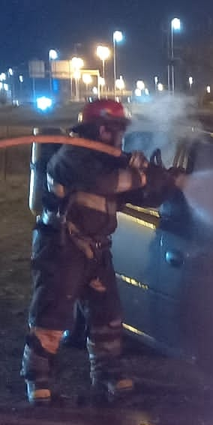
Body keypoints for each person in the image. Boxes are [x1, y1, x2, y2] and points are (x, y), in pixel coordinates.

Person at [23, 99, 180, 404]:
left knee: (107, 315)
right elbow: (102, 183)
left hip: (96, 249)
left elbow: (141, 194)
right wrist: (139, 174)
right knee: (51, 316)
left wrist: (163, 180)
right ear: (102, 129)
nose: (122, 138)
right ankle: (38, 380)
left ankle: (108, 373)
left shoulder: (111, 162)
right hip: (61, 247)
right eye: (118, 130)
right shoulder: (70, 156)